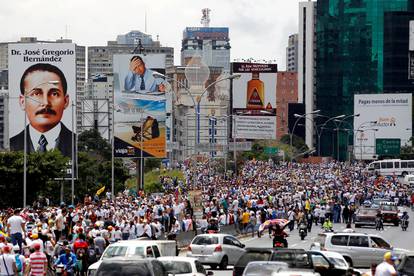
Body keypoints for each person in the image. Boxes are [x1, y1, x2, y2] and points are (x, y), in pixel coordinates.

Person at [10, 63, 75, 157]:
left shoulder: (78, 144)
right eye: (36, 94)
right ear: (22, 101)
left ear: (65, 101)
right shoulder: (9, 146)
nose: (45, 103)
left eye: (54, 94)